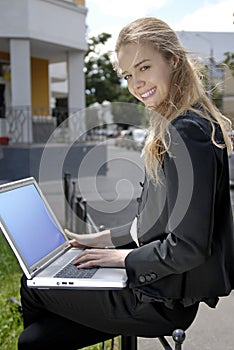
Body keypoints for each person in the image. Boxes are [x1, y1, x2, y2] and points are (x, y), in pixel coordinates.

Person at [18, 17, 234, 349]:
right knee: (34, 340)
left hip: (160, 299)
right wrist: (96, 239)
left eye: (144, 67)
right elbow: (153, 223)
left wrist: (120, 259)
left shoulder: (187, 131)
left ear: (172, 59)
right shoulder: (176, 121)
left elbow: (189, 247)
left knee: (32, 286)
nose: (135, 84)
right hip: (157, 287)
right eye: (128, 75)